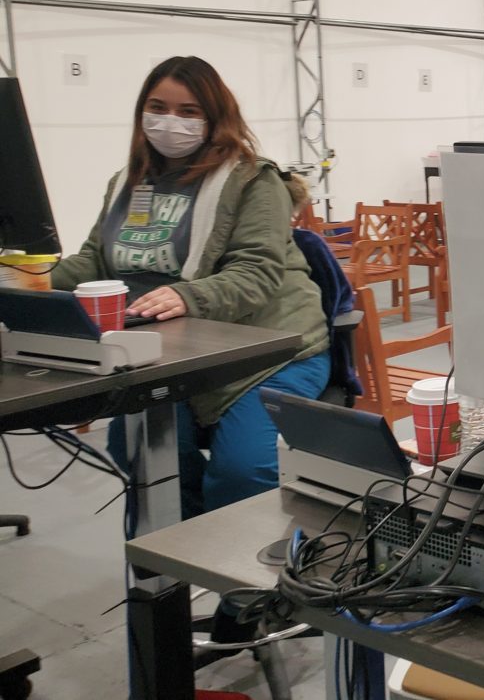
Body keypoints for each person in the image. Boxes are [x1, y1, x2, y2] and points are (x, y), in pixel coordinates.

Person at [51, 56, 332, 520]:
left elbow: (256, 272)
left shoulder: (252, 181)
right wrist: (30, 278)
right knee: (140, 457)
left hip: (268, 351)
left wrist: (189, 296)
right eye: (158, 107)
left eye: (189, 111)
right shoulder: (126, 184)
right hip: (167, 356)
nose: (170, 122)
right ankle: (185, 557)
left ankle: (244, 588)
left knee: (245, 471)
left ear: (215, 117)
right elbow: (96, 260)